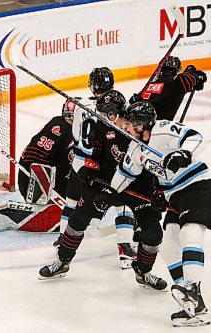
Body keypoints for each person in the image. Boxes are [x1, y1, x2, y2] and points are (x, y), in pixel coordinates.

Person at [109, 101, 211, 326]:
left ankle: (191, 290)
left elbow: (196, 138)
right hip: (175, 198)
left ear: (141, 125)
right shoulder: (136, 148)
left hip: (198, 188)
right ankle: (193, 305)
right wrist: (108, 193)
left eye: (130, 125)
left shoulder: (164, 129)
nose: (126, 129)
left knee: (189, 234)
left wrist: (183, 154)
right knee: (169, 247)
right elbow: (124, 176)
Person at [38, 89, 142, 279]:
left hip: (120, 175)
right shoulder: (105, 126)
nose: (101, 116)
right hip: (99, 174)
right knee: (80, 217)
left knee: (131, 211)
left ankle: (133, 254)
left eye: (104, 113)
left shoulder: (131, 128)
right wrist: (90, 171)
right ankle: (63, 261)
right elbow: (97, 151)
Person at [56, 67, 138, 269]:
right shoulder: (121, 103)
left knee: (72, 201)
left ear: (92, 85)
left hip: (82, 162)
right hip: (109, 161)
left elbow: (77, 136)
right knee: (123, 202)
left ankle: (61, 241)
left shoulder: (80, 105)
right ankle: (125, 248)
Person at [0, 98, 76, 233]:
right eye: (69, 118)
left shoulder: (78, 130)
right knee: (58, 217)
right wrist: (43, 184)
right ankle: (3, 212)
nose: (72, 121)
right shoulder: (58, 127)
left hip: (56, 180)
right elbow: (34, 159)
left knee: (73, 212)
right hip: (33, 180)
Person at [129, 56, 207, 121]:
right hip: (155, 127)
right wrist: (193, 73)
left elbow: (135, 101)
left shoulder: (153, 82)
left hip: (136, 121)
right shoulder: (174, 84)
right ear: (177, 71)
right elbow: (187, 79)